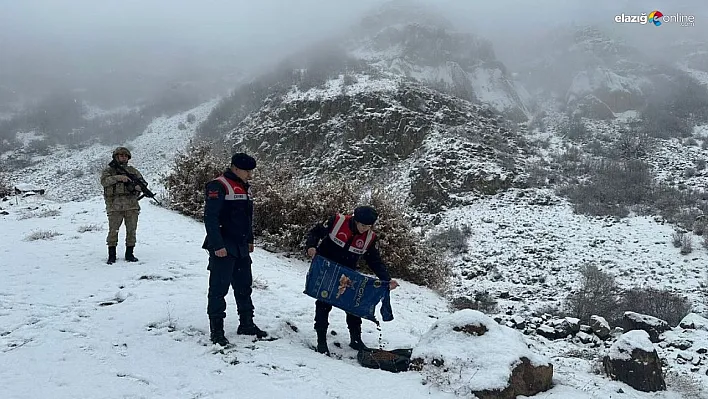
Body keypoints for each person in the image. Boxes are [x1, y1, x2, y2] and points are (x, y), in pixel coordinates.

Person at [305, 205, 399, 354]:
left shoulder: (370, 237)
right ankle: (321, 340)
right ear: (355, 220)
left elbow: (374, 260)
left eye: (368, 226)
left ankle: (356, 340)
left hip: (348, 272)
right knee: (323, 304)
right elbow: (315, 232)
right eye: (362, 225)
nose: (364, 229)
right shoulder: (337, 221)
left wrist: (386, 280)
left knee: (354, 305)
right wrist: (310, 246)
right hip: (327, 268)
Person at [203, 152, 267, 346]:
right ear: (235, 168)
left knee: (244, 286)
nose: (250, 174)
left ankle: (246, 323)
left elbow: (247, 216)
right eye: (247, 171)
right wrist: (218, 245)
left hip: (241, 245)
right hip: (224, 244)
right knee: (218, 289)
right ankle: (217, 331)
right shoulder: (218, 185)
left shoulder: (245, 186)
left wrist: (250, 239)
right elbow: (210, 218)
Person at [100, 147, 144, 264]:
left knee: (131, 231)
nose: (123, 157)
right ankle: (112, 255)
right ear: (116, 157)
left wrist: (139, 187)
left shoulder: (133, 171)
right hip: (114, 206)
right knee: (113, 231)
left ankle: (129, 254)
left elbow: (143, 182)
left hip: (131, 205)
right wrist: (119, 178)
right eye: (121, 155)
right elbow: (104, 181)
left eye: (125, 156)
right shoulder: (109, 171)